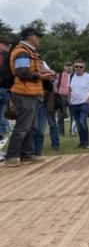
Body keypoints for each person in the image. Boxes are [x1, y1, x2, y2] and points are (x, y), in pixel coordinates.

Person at [5, 27, 56, 167]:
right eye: (37, 36)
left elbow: (31, 71)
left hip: (31, 93)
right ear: (30, 36)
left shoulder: (29, 52)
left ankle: (26, 154)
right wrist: (41, 77)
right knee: (22, 127)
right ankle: (11, 156)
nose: (39, 39)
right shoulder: (22, 52)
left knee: (31, 127)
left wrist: (46, 72)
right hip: (23, 93)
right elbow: (22, 73)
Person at [68, 59, 89, 149]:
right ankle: (82, 142)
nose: (78, 68)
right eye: (76, 66)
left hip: (85, 103)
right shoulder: (71, 76)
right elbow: (69, 90)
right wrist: (69, 101)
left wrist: (88, 100)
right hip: (74, 104)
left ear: (84, 67)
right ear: (74, 67)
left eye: (81, 67)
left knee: (82, 121)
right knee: (78, 124)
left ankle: (86, 142)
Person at [34, 76, 60, 155]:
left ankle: (55, 144)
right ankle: (33, 151)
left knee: (51, 125)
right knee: (35, 129)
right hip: (37, 105)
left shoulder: (45, 78)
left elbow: (51, 89)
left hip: (47, 106)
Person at [0, 36, 13, 148]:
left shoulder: (5, 56)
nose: (9, 46)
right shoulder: (2, 57)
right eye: (6, 44)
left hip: (5, 90)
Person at [54, 62, 72, 135]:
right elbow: (55, 85)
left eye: (70, 66)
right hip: (61, 96)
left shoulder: (74, 75)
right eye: (67, 66)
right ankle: (61, 132)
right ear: (64, 67)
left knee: (73, 115)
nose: (68, 67)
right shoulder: (60, 75)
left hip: (72, 96)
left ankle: (72, 131)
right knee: (60, 115)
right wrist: (57, 93)